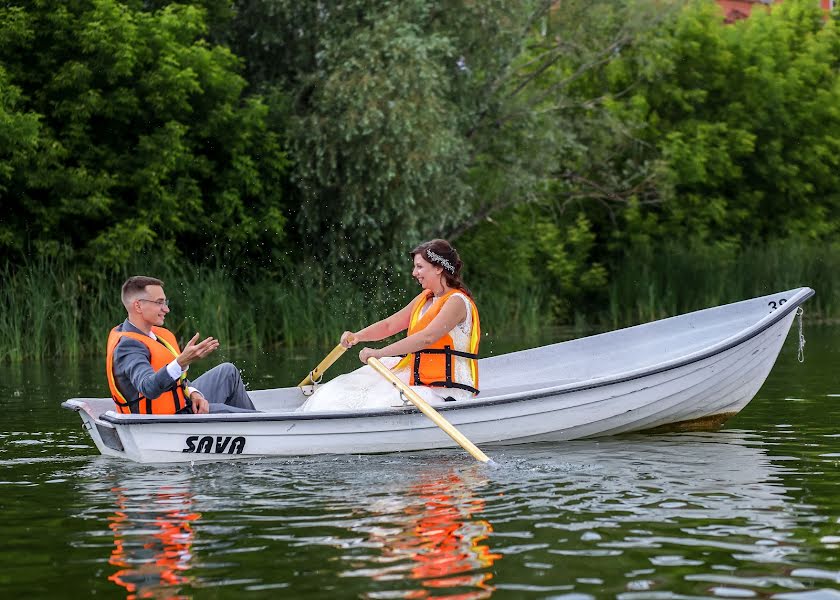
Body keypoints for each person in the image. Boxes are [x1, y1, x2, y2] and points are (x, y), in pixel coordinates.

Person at [298, 239, 480, 412]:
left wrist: (379, 353)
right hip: (418, 377)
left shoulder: (457, 301)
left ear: (439, 268)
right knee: (349, 387)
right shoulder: (426, 298)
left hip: (445, 388)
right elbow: (389, 325)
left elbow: (427, 338)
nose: (414, 273)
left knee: (379, 401)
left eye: (419, 267)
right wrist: (357, 336)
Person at [106, 276, 258, 414]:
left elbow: (177, 380)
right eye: (159, 303)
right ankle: (260, 427)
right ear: (138, 306)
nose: (166, 309)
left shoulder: (155, 335)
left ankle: (252, 427)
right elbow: (148, 388)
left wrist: (193, 392)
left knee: (227, 372)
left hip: (180, 402)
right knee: (227, 411)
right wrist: (181, 362)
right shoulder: (129, 346)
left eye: (165, 302)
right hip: (163, 420)